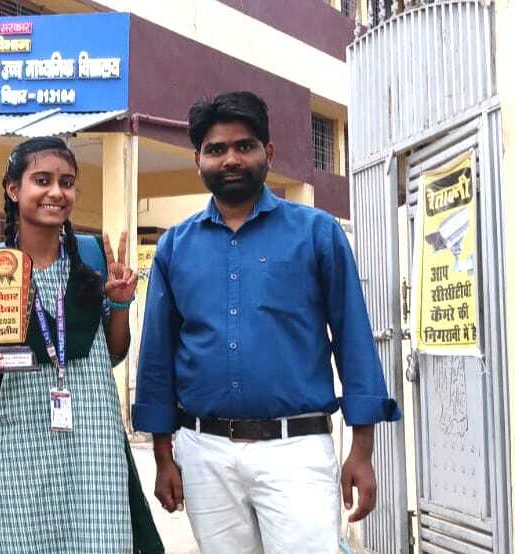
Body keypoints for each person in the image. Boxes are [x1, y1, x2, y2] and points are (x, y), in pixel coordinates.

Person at [134, 91, 402, 553]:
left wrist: (361, 451)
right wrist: (163, 455)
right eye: (216, 149)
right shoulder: (175, 246)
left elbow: (353, 338)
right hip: (204, 453)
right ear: (198, 160)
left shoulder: (316, 233)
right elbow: (157, 354)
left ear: (268, 152)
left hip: (296, 450)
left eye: (244, 146)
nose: (230, 159)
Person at [0, 136, 147, 553]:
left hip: (93, 440)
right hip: (17, 442)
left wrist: (121, 303)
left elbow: (113, 353)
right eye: (43, 180)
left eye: (67, 182)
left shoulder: (92, 260)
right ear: (13, 188)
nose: (57, 192)